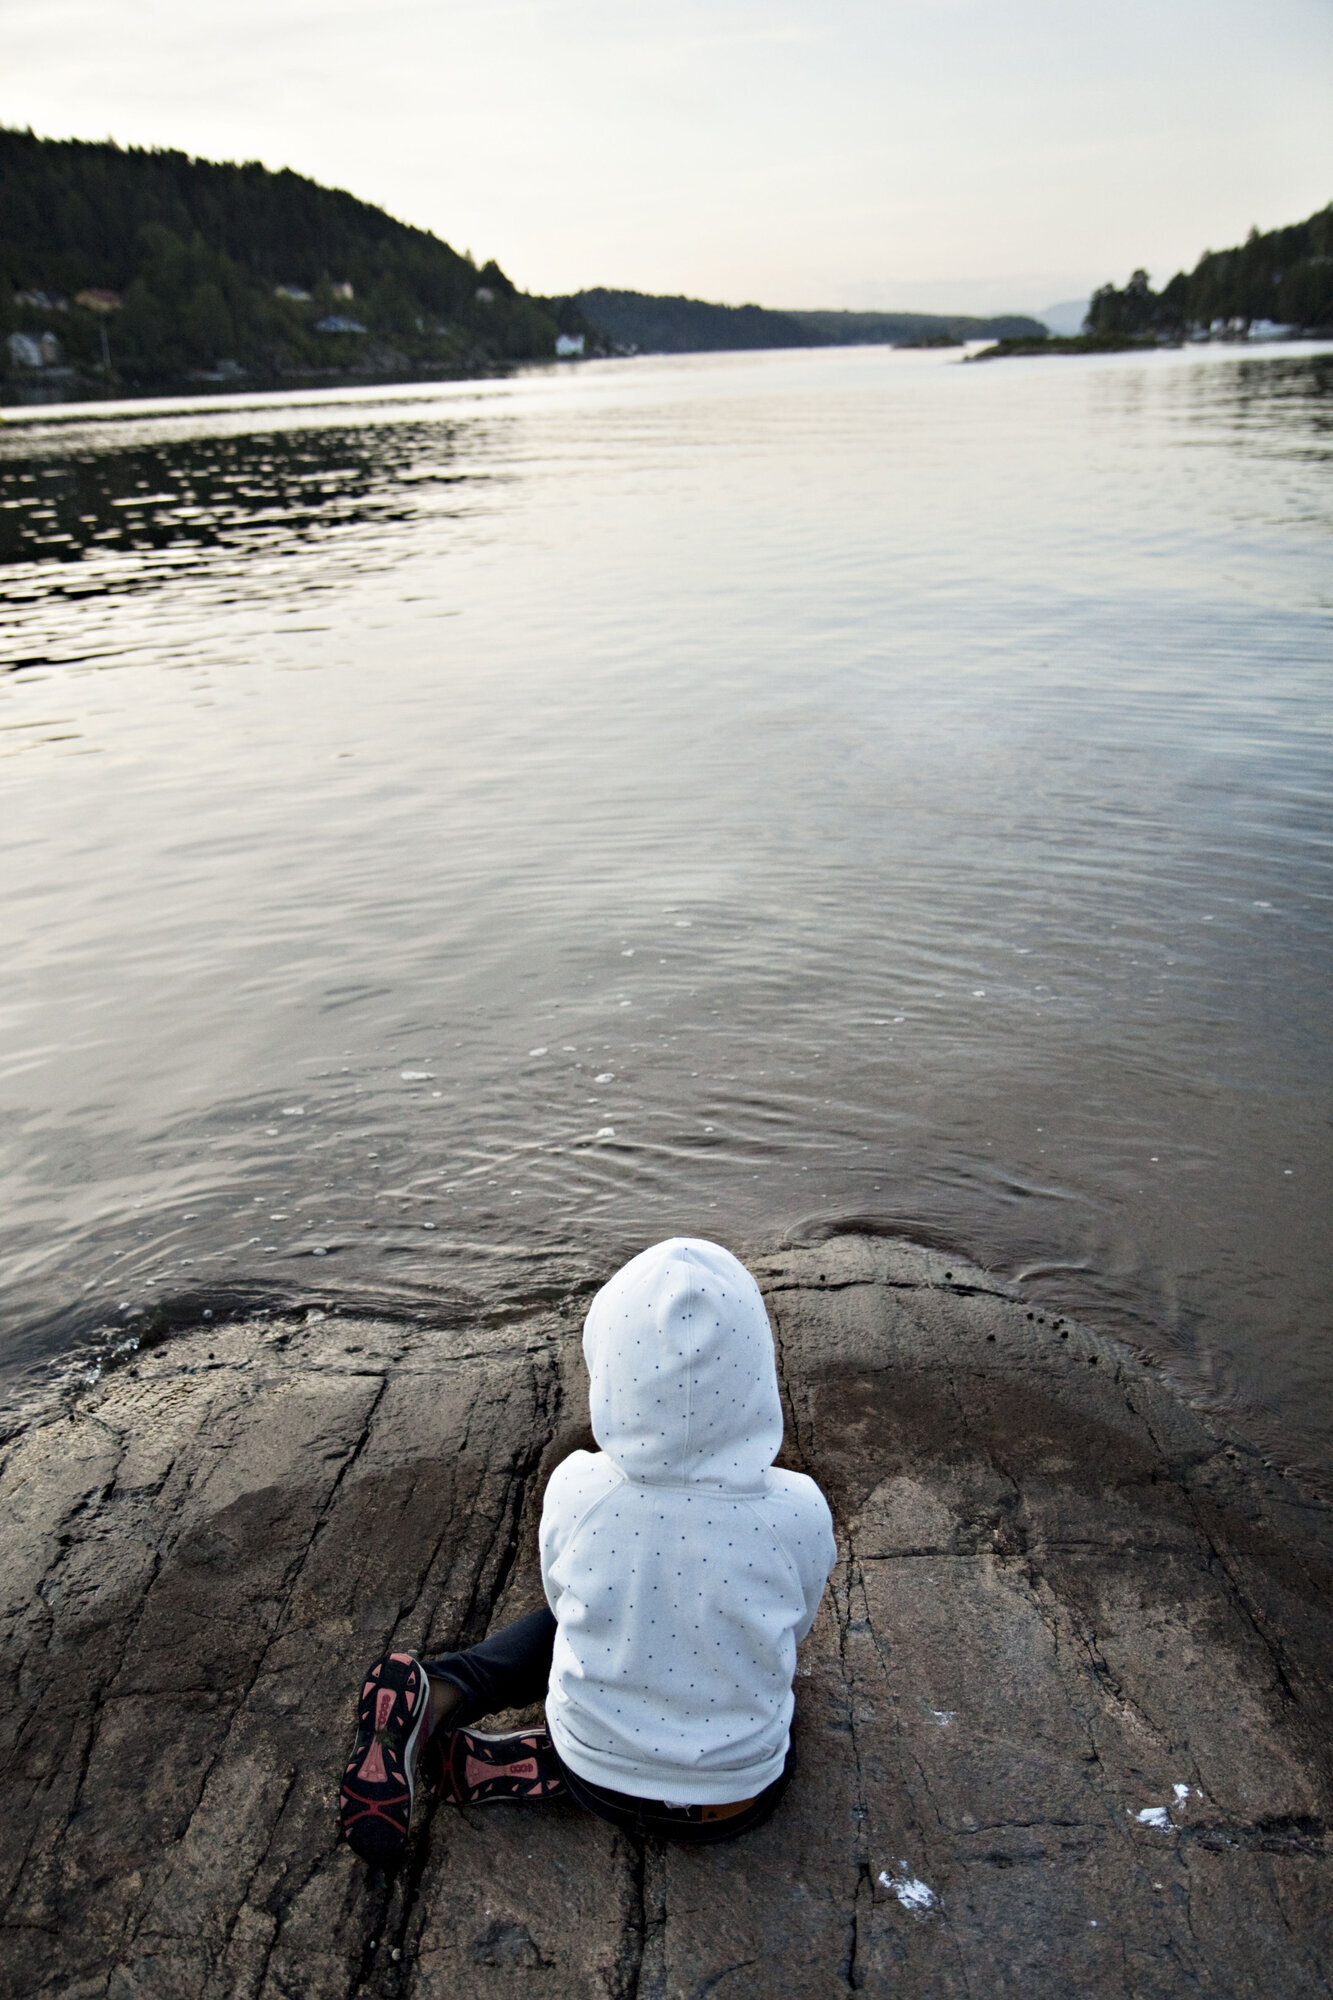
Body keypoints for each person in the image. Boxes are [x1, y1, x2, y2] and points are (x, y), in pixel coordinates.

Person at [338, 1236, 836, 1861]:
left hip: (593, 1780)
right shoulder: (797, 1509)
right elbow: (798, 1624)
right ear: (754, 1368)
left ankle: (445, 1692)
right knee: (733, 1648)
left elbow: (562, 1602)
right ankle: (619, 1757)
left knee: (586, 1616)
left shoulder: (580, 1487)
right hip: (737, 1800)